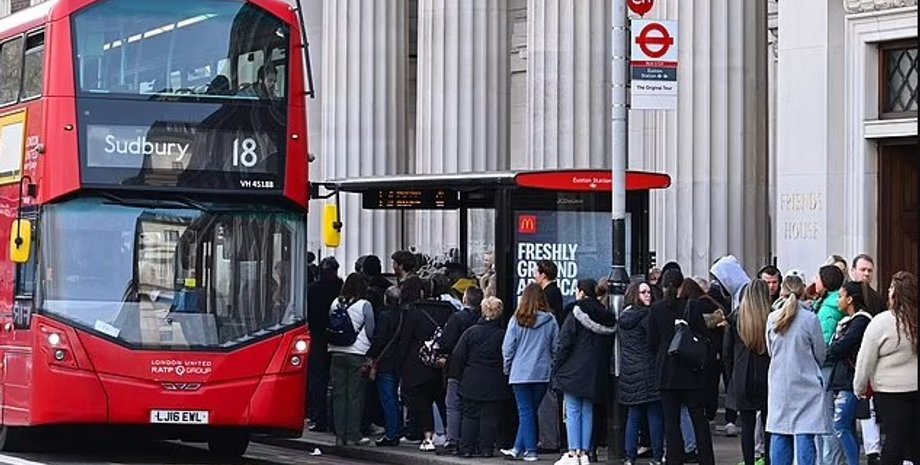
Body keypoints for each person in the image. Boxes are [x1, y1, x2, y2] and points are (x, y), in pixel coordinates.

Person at [646, 269, 715, 465]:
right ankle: (706, 460)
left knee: (671, 422)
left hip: (666, 373)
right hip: (690, 372)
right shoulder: (691, 307)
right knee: (698, 420)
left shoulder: (656, 309)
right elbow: (705, 338)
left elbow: (651, 342)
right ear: (681, 284)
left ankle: (674, 459)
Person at [854, 271, 918, 465]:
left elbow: (865, 360)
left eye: (891, 288)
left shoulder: (881, 322)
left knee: (893, 442)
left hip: (890, 392)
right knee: (915, 442)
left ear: (894, 294)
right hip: (916, 389)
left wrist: (859, 386)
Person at [766, 275, 830, 465]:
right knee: (804, 433)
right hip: (805, 380)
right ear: (803, 292)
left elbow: (770, 349)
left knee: (780, 432)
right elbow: (820, 353)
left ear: (782, 292)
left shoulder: (772, 318)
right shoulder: (810, 319)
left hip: (779, 381)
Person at [551, 279, 616, 465]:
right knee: (587, 410)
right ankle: (585, 453)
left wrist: (556, 367)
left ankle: (574, 452)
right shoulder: (606, 316)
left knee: (572, 410)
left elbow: (564, 343)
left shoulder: (575, 312)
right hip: (596, 371)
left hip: (574, 369)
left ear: (581, 292)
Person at [500, 282, 560, 462]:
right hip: (542, 372)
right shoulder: (551, 320)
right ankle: (518, 448)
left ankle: (531, 451)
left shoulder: (516, 320)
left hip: (520, 372)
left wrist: (507, 367)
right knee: (530, 411)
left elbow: (508, 348)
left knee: (526, 412)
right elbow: (556, 347)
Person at [396, 277, 454, 451]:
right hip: (442, 363)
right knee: (444, 401)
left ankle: (427, 438)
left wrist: (400, 364)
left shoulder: (413, 312)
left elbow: (405, 340)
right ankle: (449, 434)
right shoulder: (449, 310)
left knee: (423, 403)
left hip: (418, 364)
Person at [451, 296, 511, 458]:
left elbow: (458, 355)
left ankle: (467, 448)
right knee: (490, 417)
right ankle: (486, 449)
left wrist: (461, 374)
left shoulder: (471, 332)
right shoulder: (502, 335)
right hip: (495, 381)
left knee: (470, 415)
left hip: (472, 379)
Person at [723, 280, 771, 465]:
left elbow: (726, 352)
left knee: (747, 427)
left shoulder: (736, 318)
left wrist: (730, 376)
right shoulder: (771, 317)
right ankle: (768, 459)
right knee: (769, 426)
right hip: (766, 374)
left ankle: (748, 461)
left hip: (742, 373)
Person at [825, 281, 873, 465]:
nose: (838, 300)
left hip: (851, 380)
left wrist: (830, 350)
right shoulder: (848, 321)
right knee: (847, 426)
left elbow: (842, 346)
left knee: (841, 425)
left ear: (850, 299)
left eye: (841, 296)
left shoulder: (861, 320)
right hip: (843, 378)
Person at [618, 281, 664, 465]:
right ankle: (657, 456)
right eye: (643, 292)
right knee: (654, 415)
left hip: (629, 371)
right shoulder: (647, 317)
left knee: (633, 415)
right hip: (649, 369)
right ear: (635, 295)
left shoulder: (623, 318)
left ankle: (630, 457)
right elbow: (654, 343)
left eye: (648, 292)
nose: (648, 295)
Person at [328, 273, 375, 446]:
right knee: (355, 396)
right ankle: (353, 433)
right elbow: (371, 330)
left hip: (336, 352)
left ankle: (340, 436)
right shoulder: (365, 305)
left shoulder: (335, 303)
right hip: (357, 353)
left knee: (338, 395)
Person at [438, 286, 485, 455]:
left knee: (453, 405)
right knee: (471, 407)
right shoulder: (482, 319)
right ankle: (473, 440)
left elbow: (445, 343)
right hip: (476, 367)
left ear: (465, 299)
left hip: (456, 367)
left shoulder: (457, 318)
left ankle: (453, 440)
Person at [306, 257, 343, 432]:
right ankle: (336, 420)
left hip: (318, 337)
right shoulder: (340, 288)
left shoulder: (313, 290)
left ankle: (319, 417)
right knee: (337, 381)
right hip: (337, 338)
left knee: (318, 380)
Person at [365, 285, 404, 447]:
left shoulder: (384, 316)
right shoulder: (405, 315)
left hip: (386, 361)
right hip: (401, 361)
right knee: (397, 398)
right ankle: (398, 429)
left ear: (386, 299)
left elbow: (379, 339)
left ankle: (391, 433)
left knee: (388, 399)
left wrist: (371, 356)